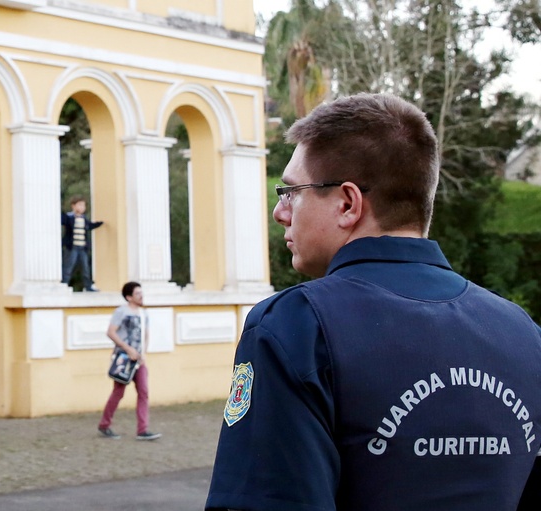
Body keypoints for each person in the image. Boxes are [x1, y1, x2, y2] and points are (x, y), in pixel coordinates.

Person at [206, 93, 541, 511]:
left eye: (292, 191)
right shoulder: (524, 333)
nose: (280, 211)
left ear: (348, 203)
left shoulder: (298, 327)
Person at [98, 281, 161, 441]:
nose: (141, 296)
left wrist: (143, 353)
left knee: (144, 392)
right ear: (129, 297)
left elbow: (145, 334)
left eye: (141, 293)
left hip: (139, 361)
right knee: (118, 393)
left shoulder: (143, 313)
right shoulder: (121, 312)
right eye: (137, 294)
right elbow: (111, 332)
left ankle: (142, 429)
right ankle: (104, 424)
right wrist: (128, 349)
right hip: (124, 359)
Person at [61, 196, 103, 292]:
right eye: (79, 205)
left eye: (83, 205)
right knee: (68, 266)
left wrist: (99, 223)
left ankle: (88, 286)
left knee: (85, 267)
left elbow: (89, 226)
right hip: (72, 247)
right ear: (73, 206)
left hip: (82, 247)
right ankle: (64, 284)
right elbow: (63, 221)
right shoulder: (69, 217)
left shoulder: (84, 218)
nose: (82, 207)